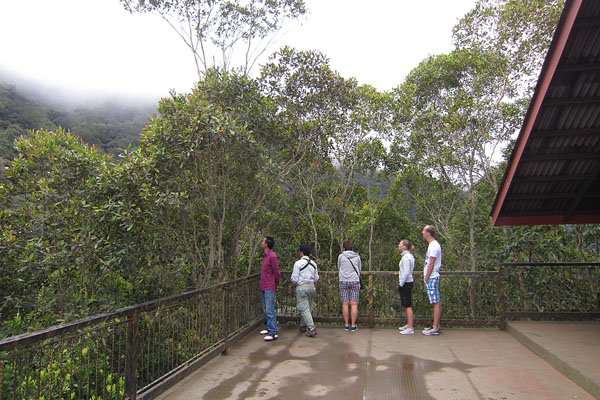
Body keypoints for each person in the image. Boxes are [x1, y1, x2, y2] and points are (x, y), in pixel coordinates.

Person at [289, 244, 319, 337]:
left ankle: (311, 328)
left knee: (304, 308)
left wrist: (290, 287)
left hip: (302, 287)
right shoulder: (314, 264)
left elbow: (294, 278)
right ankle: (303, 325)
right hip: (311, 286)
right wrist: (314, 288)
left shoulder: (298, 263)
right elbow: (316, 279)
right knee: (308, 307)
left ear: (301, 252)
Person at [422, 225, 442, 336]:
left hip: (432, 276)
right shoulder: (432, 245)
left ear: (428, 233)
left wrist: (427, 276)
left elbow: (431, 262)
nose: (422, 232)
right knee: (436, 301)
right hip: (432, 276)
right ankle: (436, 325)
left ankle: (435, 327)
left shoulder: (434, 246)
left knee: (435, 302)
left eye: (424, 230)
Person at [337, 240, 362, 332]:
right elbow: (359, 269)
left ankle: (346, 324)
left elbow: (339, 267)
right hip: (355, 281)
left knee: (345, 303)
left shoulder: (341, 256)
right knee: (354, 304)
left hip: (343, 281)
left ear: (344, 248)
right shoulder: (357, 257)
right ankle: (353, 325)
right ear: (352, 248)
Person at [259, 236, 280, 341]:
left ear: (267, 244)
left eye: (263, 241)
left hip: (269, 286)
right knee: (265, 308)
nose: (262, 242)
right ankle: (269, 327)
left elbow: (277, 272)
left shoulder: (272, 256)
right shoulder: (266, 256)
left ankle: (273, 332)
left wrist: (276, 284)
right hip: (264, 285)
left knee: (270, 309)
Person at [397, 239, 416, 335]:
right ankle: (409, 324)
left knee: (408, 305)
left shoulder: (407, 257)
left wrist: (401, 284)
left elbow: (406, 272)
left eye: (400, 244)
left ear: (404, 246)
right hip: (406, 282)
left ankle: (411, 327)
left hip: (406, 283)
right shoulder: (406, 256)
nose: (398, 245)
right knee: (405, 304)